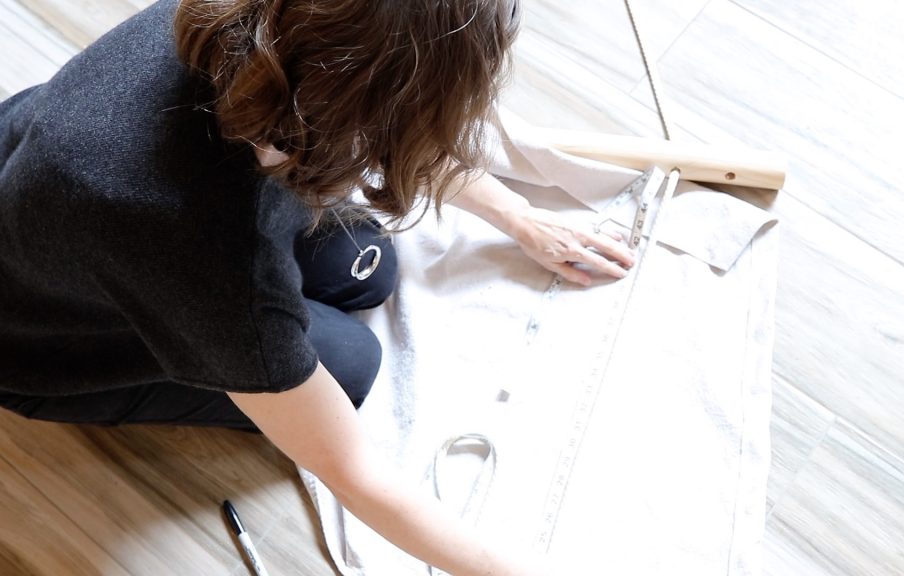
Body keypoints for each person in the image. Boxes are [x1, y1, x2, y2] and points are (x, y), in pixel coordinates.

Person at [0, 0, 633, 574]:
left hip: (56, 189)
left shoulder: (258, 30)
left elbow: (396, 123)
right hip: (46, 336)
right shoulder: (200, 245)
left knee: (370, 267)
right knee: (352, 369)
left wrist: (518, 217)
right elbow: (350, 470)